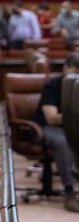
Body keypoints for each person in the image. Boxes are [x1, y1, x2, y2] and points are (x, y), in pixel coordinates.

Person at [33, 52, 79, 213]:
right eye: (75, 72)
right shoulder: (53, 85)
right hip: (47, 128)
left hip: (73, 127)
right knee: (64, 143)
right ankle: (69, 192)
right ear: (65, 68)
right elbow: (51, 117)